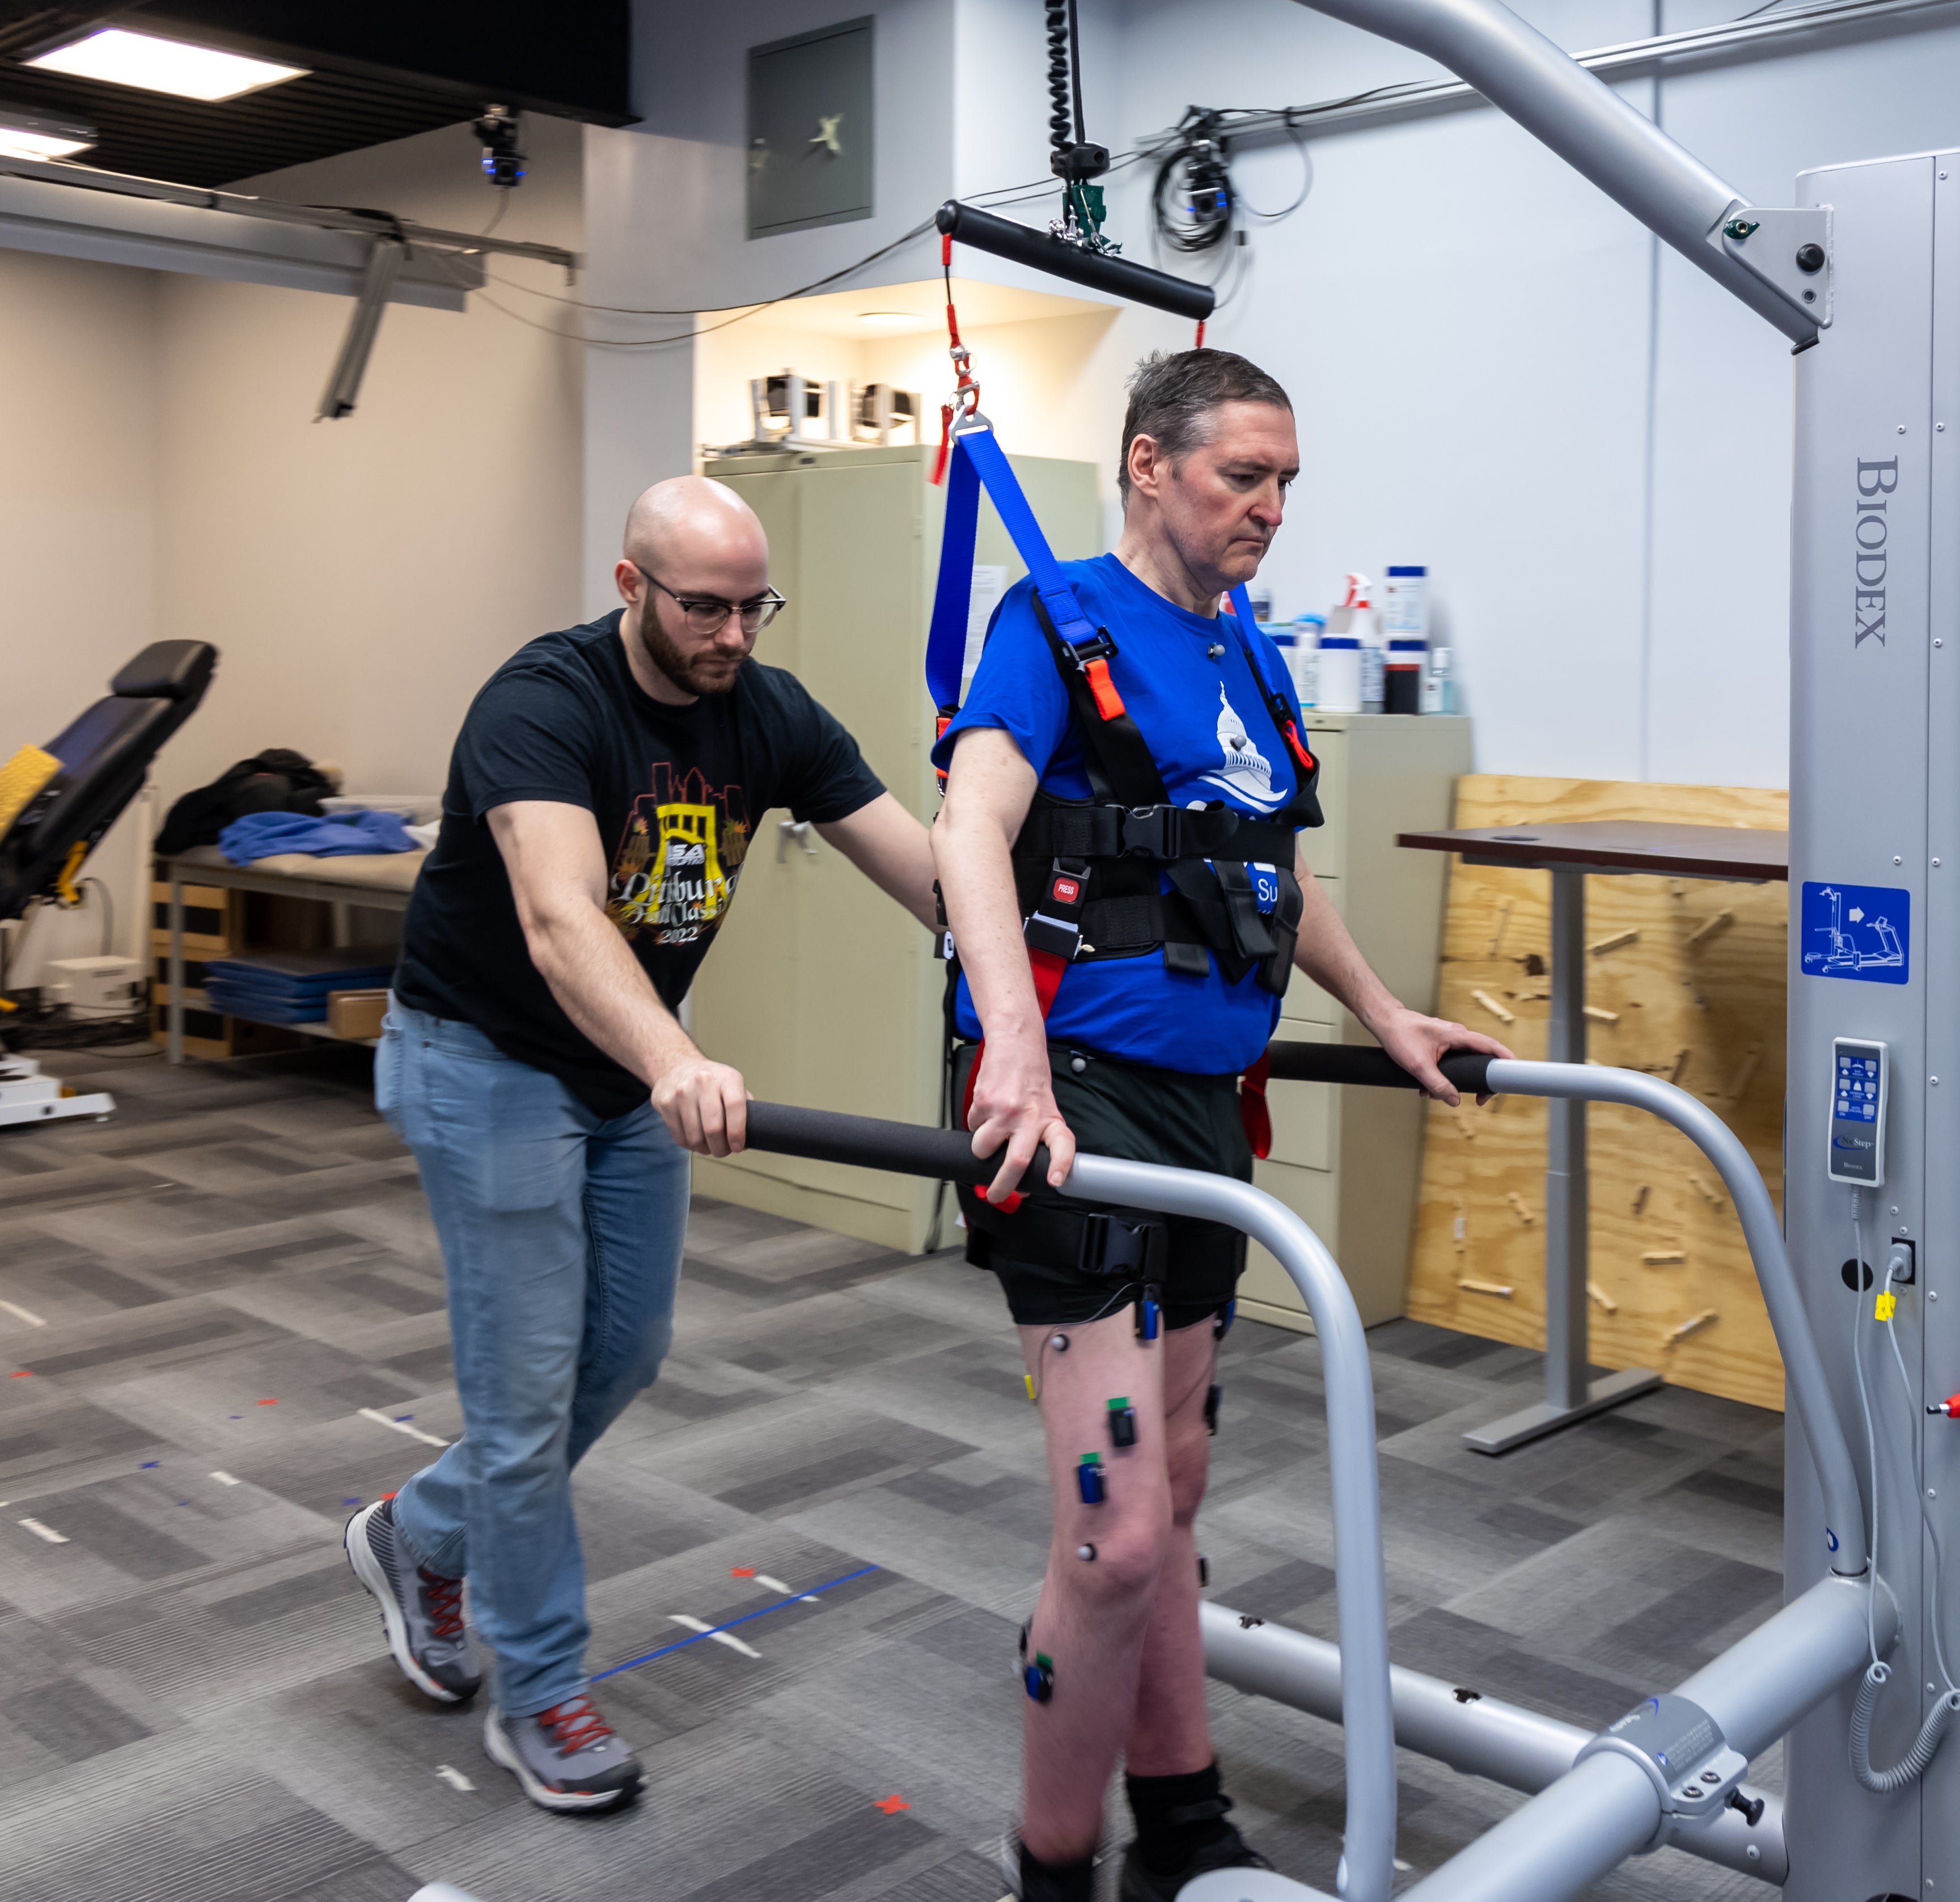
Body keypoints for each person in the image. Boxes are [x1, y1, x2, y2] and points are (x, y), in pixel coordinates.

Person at [933, 349, 1506, 1901]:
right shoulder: (1054, 621)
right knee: (1116, 1534)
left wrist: (1386, 1012)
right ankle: (1055, 1864)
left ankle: (1179, 1819)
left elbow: (1269, 872)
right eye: (1239, 475)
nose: (1266, 506)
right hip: (1077, 1103)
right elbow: (968, 828)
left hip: (1201, 1112)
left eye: (1283, 482)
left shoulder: (1246, 648)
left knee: (1170, 1497)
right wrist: (1016, 1053)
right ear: (1144, 465)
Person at [345, 475, 940, 1815]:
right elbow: (561, 922)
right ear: (633, 589)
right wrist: (674, 1057)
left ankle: (417, 1533)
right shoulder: (541, 706)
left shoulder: (768, 713)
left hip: (622, 1074)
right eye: (706, 608)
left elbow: (924, 868)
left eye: (753, 607)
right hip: (486, 1060)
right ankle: (541, 1689)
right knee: (522, 1397)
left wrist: (1036, 982)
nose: (733, 636)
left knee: (625, 1354)